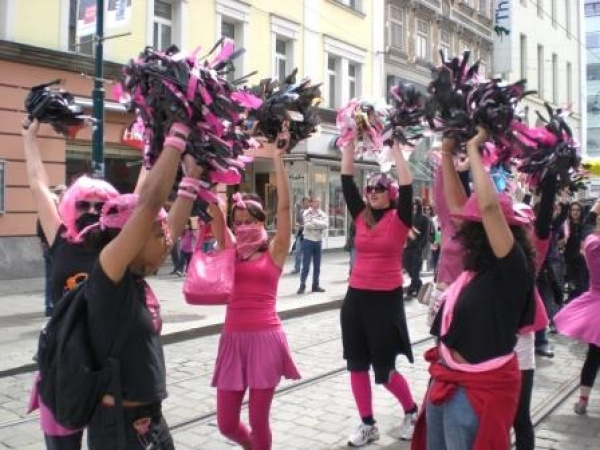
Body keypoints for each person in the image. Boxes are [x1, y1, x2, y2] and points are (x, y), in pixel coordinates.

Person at [412, 127, 536, 450]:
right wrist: (448, 155)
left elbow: (488, 209)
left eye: (472, 224)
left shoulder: (513, 268)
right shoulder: (474, 267)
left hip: (477, 391)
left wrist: (474, 150)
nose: (462, 227)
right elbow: (457, 204)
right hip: (446, 379)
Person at [78, 122, 198, 448]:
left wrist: (192, 177)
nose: (168, 242)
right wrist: (177, 132)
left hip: (151, 420)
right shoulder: (108, 277)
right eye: (158, 236)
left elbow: (165, 221)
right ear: (133, 238)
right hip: (119, 429)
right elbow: (150, 205)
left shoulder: (134, 277)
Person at [22, 117, 120, 450]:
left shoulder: (115, 248)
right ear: (70, 206)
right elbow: (37, 184)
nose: (92, 210)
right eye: (84, 204)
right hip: (62, 359)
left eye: (100, 205)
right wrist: (29, 140)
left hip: (107, 364)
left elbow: (146, 198)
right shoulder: (60, 237)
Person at [211, 132, 301, 450]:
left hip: (265, 339)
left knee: (259, 420)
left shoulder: (275, 251)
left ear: (262, 221)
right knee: (226, 422)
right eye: (239, 221)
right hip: (232, 340)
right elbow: (213, 212)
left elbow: (286, 209)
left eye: (250, 220)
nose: (244, 226)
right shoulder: (231, 249)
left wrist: (277, 158)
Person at [340, 138, 418, 447]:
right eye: (370, 189)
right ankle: (367, 424)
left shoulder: (401, 220)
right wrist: (349, 139)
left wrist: (396, 146)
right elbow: (346, 179)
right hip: (355, 299)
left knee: (384, 370)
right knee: (356, 364)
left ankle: (412, 411)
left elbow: (408, 182)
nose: (372, 192)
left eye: (379, 189)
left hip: (385, 300)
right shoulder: (361, 216)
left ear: (391, 195)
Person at [554, 200, 600, 416]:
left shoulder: (592, 246)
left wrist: (594, 209)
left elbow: (587, 227)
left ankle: (582, 401)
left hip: (595, 308)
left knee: (593, 356)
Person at [297, 197, 328, 294]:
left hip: (318, 241)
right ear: (311, 203)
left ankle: (315, 285)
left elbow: (325, 225)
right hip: (308, 241)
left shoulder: (322, 213)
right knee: (306, 265)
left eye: (319, 202)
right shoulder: (306, 212)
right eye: (316, 202)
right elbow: (307, 225)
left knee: (317, 265)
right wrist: (318, 225)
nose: (317, 204)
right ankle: (302, 285)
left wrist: (314, 221)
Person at [403, 198, 431, 298]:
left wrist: (420, 246)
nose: (414, 206)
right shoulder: (408, 218)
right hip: (407, 248)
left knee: (415, 270)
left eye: (416, 204)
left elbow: (426, 235)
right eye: (413, 204)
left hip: (417, 248)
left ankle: (413, 287)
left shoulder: (424, 218)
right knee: (407, 266)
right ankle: (417, 284)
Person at [564, 201, 588, 301]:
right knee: (573, 290)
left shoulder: (585, 226)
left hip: (583, 263)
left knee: (584, 289)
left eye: (578, 210)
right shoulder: (566, 226)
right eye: (573, 210)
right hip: (570, 264)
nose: (575, 212)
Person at [291, 197, 309, 274]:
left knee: (306, 253)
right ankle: (297, 268)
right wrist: (298, 224)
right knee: (298, 251)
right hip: (300, 234)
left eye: (307, 202)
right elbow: (297, 221)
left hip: (308, 235)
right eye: (304, 202)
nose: (306, 203)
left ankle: (305, 268)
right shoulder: (301, 211)